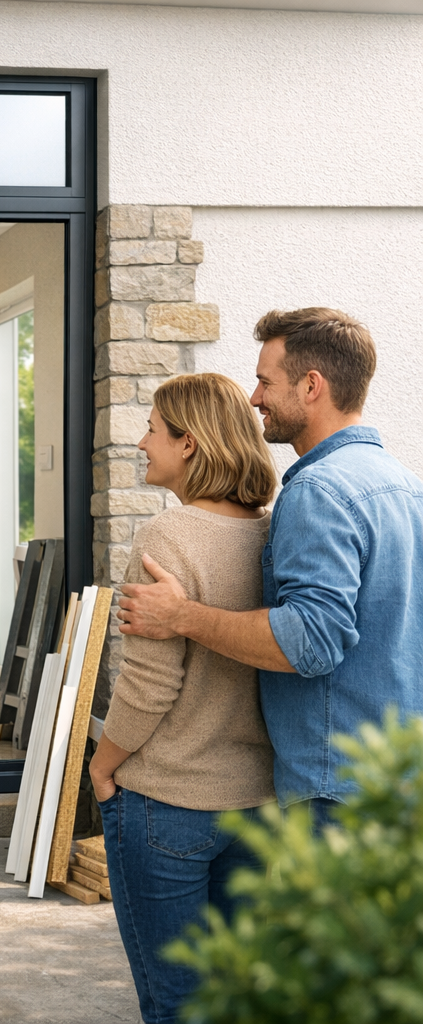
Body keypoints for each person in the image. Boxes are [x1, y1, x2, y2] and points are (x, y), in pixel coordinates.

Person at [117, 309, 423, 827]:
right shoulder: (404, 484)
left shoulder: (316, 492)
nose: (255, 398)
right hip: (398, 779)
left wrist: (182, 616)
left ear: (311, 386)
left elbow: (308, 641)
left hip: (338, 790)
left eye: (264, 381)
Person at [88, 374, 277, 1024]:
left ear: (189, 443)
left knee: (177, 1000)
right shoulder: (273, 534)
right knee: (239, 998)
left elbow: (149, 685)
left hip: (167, 803)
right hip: (258, 804)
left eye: (152, 428)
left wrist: (103, 763)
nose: (140, 441)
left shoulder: (165, 538)